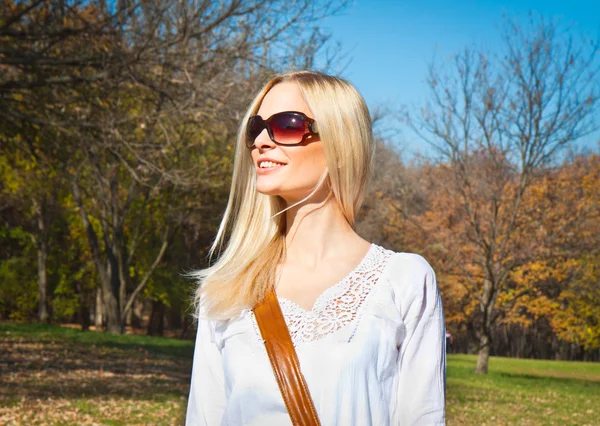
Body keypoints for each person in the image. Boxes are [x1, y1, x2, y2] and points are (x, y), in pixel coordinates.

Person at [185, 70, 446, 426]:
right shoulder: (226, 289)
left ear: (341, 144)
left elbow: (423, 418)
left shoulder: (405, 282)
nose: (261, 141)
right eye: (255, 128)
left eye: (287, 124)